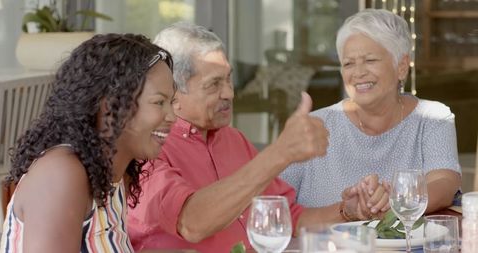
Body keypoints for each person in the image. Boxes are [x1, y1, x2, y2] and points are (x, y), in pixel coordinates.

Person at [127, 22, 389, 253]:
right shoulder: (149, 146)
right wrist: (280, 153)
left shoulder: (234, 140)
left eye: (229, 79)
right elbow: (191, 223)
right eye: (214, 84)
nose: (229, 93)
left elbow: (291, 218)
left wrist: (347, 211)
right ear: (173, 92)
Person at [0, 34, 176, 252]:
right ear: (110, 106)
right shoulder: (62, 174)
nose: (172, 116)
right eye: (159, 102)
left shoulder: (113, 176)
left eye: (172, 102)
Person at [280, 9, 461, 216]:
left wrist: (397, 201)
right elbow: (272, 200)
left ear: (401, 66)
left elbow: (445, 182)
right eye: (348, 63)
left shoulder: (431, 118)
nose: (358, 73)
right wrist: (348, 211)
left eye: (370, 60)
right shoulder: (313, 126)